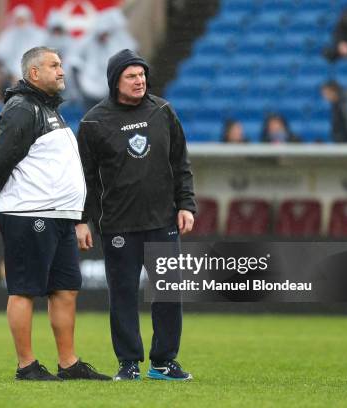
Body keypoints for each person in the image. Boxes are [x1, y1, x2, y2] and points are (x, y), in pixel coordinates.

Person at [0, 46, 109, 381]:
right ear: (33, 73)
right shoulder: (22, 108)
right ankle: (26, 365)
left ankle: (68, 363)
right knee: (24, 289)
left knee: (65, 288)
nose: (62, 70)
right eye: (54, 65)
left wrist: (78, 217)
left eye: (62, 64)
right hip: (29, 213)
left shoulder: (48, 109)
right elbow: (2, 158)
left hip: (59, 215)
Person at [76, 49, 196, 381]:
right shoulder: (93, 121)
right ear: (115, 81)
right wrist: (81, 220)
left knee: (169, 294)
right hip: (117, 224)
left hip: (162, 221)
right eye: (131, 76)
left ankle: (163, 362)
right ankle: (128, 363)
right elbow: (83, 177)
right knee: (124, 296)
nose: (139, 80)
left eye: (142, 74)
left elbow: (180, 164)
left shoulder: (163, 111)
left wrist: (186, 204)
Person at [70, 8, 137, 111]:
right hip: (88, 89)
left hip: (110, 90)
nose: (104, 37)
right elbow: (75, 63)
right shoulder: (86, 43)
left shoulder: (116, 45)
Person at [0, 5, 46, 98]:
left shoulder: (40, 35)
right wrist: (9, 74)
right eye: (19, 20)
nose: (21, 23)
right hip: (11, 78)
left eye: (24, 20)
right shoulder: (7, 36)